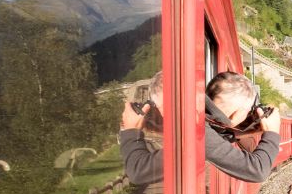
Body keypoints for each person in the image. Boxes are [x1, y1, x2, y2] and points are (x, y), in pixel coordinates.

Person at [119, 70, 281, 184]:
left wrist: (240, 133)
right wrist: (272, 133)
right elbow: (257, 170)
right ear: (236, 113)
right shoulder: (200, 133)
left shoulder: (203, 126)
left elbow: (217, 136)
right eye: (247, 114)